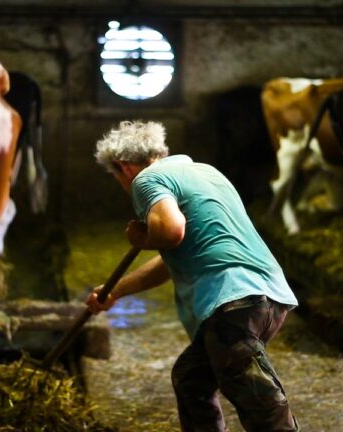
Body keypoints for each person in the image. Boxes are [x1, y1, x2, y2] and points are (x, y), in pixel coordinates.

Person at [86, 120, 300, 431]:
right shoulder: (205, 172)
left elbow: (171, 231)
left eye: (115, 177)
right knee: (191, 379)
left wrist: (142, 238)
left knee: (260, 402)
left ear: (122, 167)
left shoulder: (146, 181)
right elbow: (173, 257)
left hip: (233, 301)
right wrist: (115, 290)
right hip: (267, 296)